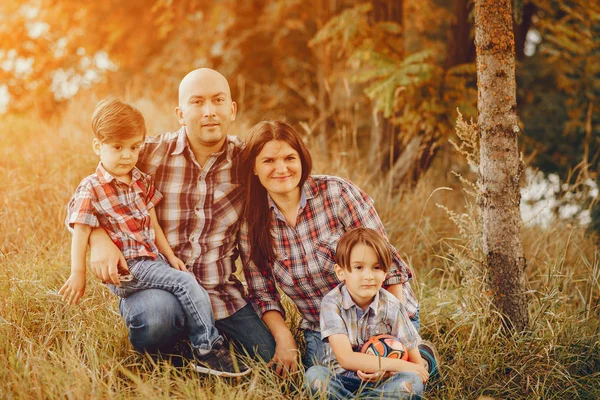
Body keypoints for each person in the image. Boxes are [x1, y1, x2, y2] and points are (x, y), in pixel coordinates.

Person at [84, 69, 276, 368]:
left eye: (218, 100)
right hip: (159, 285)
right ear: (181, 113)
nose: (209, 112)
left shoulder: (247, 161)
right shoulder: (149, 153)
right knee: (157, 319)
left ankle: (195, 345)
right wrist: (98, 238)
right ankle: (172, 348)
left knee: (266, 355)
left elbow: (287, 178)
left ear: (232, 109)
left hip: (219, 290)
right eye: (197, 102)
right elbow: (97, 187)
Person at [59, 97, 250, 377]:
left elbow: (153, 223)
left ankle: (183, 342)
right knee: (185, 283)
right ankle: (207, 348)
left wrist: (170, 257)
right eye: (117, 147)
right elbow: (80, 229)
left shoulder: (140, 180)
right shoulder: (92, 187)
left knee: (180, 281)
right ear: (97, 146)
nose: (127, 155)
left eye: (134, 147)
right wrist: (78, 272)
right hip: (129, 268)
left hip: (153, 260)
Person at [239, 120, 438, 376]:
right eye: (268, 161)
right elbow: (262, 294)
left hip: (385, 314)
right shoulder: (251, 223)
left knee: (394, 375)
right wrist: (284, 338)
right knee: (326, 381)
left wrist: (385, 341)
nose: (281, 168)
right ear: (254, 168)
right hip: (324, 328)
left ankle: (422, 358)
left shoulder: (336, 193)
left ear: (302, 159)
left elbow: (389, 267)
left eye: (290, 158)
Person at [305, 227, 428, 399]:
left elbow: (416, 363)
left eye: (376, 267)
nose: (368, 276)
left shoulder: (392, 305)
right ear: (341, 272)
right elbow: (346, 358)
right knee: (314, 376)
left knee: (411, 383)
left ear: (385, 273)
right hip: (342, 379)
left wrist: (388, 372)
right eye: (359, 267)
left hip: (383, 382)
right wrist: (399, 365)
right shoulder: (332, 303)